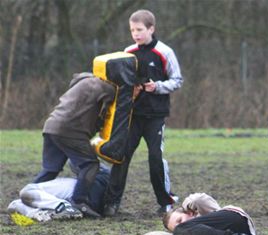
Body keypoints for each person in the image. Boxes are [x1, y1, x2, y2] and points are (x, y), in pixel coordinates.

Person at [103, 9, 183, 216]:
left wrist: (157, 87)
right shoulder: (128, 52)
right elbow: (121, 83)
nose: (136, 34)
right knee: (121, 157)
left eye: (139, 30)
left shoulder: (165, 52)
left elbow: (177, 81)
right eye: (132, 30)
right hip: (132, 116)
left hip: (155, 117)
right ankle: (111, 203)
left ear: (151, 29)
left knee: (155, 158)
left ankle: (165, 203)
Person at [33, 72, 117, 218]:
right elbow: (118, 104)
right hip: (71, 131)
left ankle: (28, 195)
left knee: (50, 169)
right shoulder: (105, 87)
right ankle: (79, 202)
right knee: (90, 165)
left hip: (51, 126)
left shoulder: (83, 82)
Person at [162, 193, 259, 235]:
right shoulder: (190, 234)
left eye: (180, 220)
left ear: (189, 212)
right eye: (176, 226)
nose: (181, 225)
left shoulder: (201, 210)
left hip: (234, 220)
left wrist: (186, 206)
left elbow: (198, 199)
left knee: (179, 230)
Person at [8, 163, 110, 221]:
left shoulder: (86, 152)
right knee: (14, 204)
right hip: (90, 200)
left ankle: (64, 207)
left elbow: (75, 164)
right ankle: (42, 215)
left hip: (77, 189)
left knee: (27, 190)